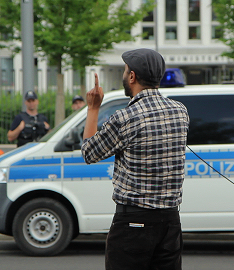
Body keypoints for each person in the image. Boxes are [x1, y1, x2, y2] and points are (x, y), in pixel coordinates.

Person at [81, 48, 189, 270]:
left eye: (125, 70)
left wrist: (93, 108)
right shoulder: (181, 111)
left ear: (132, 77)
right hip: (170, 222)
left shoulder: (125, 118)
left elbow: (89, 153)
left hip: (133, 224)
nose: (124, 75)